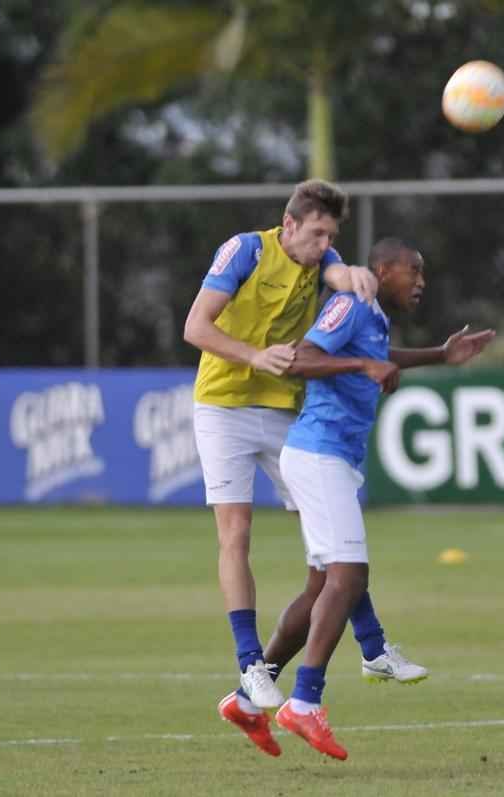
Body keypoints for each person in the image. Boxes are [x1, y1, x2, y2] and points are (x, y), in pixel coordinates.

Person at [182, 181, 432, 757]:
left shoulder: (327, 262)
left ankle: (364, 652)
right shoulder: (245, 250)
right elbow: (195, 327)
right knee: (237, 532)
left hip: (278, 413)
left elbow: (343, 279)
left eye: (331, 237)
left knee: (327, 557)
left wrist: (356, 278)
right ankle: (251, 666)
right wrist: (251, 355)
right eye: (316, 233)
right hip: (221, 406)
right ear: (288, 225)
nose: (323, 245)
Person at [267, 238, 495, 760]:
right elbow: (302, 358)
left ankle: (255, 686)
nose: (421, 282)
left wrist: (440, 354)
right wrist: (363, 369)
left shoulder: (375, 319)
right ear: (382, 269)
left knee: (329, 582)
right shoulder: (351, 303)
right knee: (347, 576)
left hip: (333, 457)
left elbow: (377, 357)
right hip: (317, 452)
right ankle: (306, 700)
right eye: (413, 271)